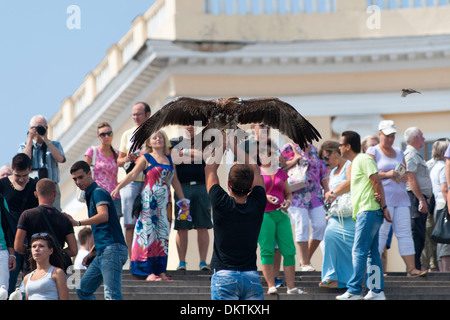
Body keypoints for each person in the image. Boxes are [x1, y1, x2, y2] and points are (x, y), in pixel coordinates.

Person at [112, 130, 188, 281]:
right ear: (149, 142)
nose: (158, 139)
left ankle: (161, 271)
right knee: (148, 234)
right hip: (149, 202)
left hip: (165, 203)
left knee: (163, 236)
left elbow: (175, 181)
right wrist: (118, 187)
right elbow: (133, 174)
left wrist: (183, 199)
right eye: (155, 137)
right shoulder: (146, 158)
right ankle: (147, 272)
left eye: (161, 137)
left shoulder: (169, 159)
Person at [206, 131, 267, 300]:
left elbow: (210, 168)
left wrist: (224, 144)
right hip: (251, 278)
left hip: (224, 276)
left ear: (228, 184)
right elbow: (254, 167)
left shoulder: (220, 202)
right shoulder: (258, 203)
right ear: (250, 188)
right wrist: (235, 146)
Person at [336, 130, 392, 300]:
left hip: (368, 212)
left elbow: (376, 181)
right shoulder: (357, 162)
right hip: (368, 211)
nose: (338, 147)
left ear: (347, 146)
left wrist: (384, 207)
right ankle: (376, 291)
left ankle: (353, 290)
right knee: (371, 253)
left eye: (340, 144)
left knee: (359, 250)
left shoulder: (364, 158)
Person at [367, 120, 426, 277]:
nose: (390, 139)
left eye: (392, 135)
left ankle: (412, 269)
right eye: (387, 136)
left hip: (401, 198)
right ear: (380, 134)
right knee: (381, 233)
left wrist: (404, 176)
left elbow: (405, 173)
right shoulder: (373, 151)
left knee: (405, 233)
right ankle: (375, 269)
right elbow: (368, 174)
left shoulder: (399, 152)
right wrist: (388, 174)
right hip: (383, 199)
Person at [67, 161, 128, 300]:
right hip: (103, 251)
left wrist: (77, 222)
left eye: (81, 177)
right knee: (83, 290)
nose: (78, 182)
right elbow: (104, 228)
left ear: (90, 174)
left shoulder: (98, 192)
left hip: (112, 250)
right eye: (75, 179)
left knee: (112, 295)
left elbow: (103, 216)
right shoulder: (91, 194)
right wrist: (93, 250)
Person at [257, 140, 304, 295]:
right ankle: (271, 285)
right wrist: (265, 197)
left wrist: (288, 202)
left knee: (289, 250)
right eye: (267, 153)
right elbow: (251, 194)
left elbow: (288, 193)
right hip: (264, 214)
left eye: (273, 153)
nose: (271, 156)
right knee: (267, 250)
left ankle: (291, 287)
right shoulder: (256, 172)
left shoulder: (281, 173)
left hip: (281, 214)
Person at [170, 125, 213, 271]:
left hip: (202, 187)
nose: (189, 126)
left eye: (192, 123)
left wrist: (185, 152)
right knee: (182, 226)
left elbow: (205, 156)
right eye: (186, 123)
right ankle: (182, 262)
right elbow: (176, 159)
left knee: (203, 225)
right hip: (183, 188)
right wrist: (194, 154)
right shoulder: (175, 142)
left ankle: (203, 262)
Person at [281, 143, 328, 271]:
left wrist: (327, 190)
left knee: (321, 224)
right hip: (296, 195)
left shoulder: (314, 149)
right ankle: (305, 262)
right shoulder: (288, 148)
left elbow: (322, 171)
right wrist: (295, 160)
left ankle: (306, 258)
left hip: (315, 194)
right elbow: (279, 168)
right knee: (302, 225)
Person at [14, 178, 78, 273]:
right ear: (55, 194)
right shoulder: (65, 219)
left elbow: (18, 246)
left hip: (33, 269)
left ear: (36, 194)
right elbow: (73, 250)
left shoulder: (27, 215)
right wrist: (54, 253)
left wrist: (33, 252)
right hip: (57, 269)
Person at [0, 153, 39, 294]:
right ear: (12, 169)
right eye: (18, 176)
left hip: (31, 242)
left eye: (25, 175)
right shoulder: (2, 185)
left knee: (32, 285)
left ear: (30, 169)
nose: (21, 179)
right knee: (8, 285)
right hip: (10, 243)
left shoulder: (35, 185)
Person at [318, 140, 355, 288]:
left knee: (352, 247)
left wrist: (332, 193)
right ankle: (331, 276)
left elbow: (351, 182)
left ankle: (356, 279)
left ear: (335, 153)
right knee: (330, 236)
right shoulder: (332, 172)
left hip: (350, 213)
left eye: (327, 158)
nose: (327, 162)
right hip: (335, 213)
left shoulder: (349, 165)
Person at [117, 102, 151, 258]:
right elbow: (119, 161)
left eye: (139, 114)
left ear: (148, 115)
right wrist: (127, 158)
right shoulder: (127, 134)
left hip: (151, 181)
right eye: (133, 114)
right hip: (130, 181)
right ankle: (130, 259)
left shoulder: (156, 132)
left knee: (149, 221)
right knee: (129, 223)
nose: (135, 117)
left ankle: (147, 256)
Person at [19, 115, 66, 211]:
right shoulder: (24, 146)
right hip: (32, 188)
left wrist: (46, 140)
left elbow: (61, 159)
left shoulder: (55, 145)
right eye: (37, 127)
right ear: (31, 129)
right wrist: (29, 140)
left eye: (43, 127)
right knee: (35, 216)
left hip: (52, 187)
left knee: (54, 215)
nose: (40, 130)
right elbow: (23, 163)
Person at [404, 127, 434, 271]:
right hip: (415, 200)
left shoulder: (415, 154)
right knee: (416, 233)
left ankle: (414, 267)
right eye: (421, 136)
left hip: (419, 199)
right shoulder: (410, 154)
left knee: (420, 234)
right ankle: (413, 267)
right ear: (415, 137)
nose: (424, 138)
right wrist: (421, 199)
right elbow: (410, 178)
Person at [85, 122, 122, 217]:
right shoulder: (92, 151)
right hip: (98, 194)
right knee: (100, 225)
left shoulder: (117, 153)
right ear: (98, 137)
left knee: (115, 227)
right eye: (103, 134)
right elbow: (85, 173)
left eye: (109, 133)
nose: (106, 136)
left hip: (114, 195)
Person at [23, 234, 68, 300]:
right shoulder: (27, 278)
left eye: (41, 246)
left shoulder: (57, 273)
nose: (36, 249)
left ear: (51, 251)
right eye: (34, 246)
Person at [427, 139, 449, 271]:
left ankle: (443, 271)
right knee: (446, 241)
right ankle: (446, 273)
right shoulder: (442, 167)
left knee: (442, 241)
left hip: (438, 205)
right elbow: (445, 188)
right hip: (444, 204)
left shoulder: (434, 166)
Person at [0, 194, 15, 293]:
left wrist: (12, 253)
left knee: (2, 293)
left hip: (2, 250)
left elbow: (7, 226)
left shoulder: (0, 198)